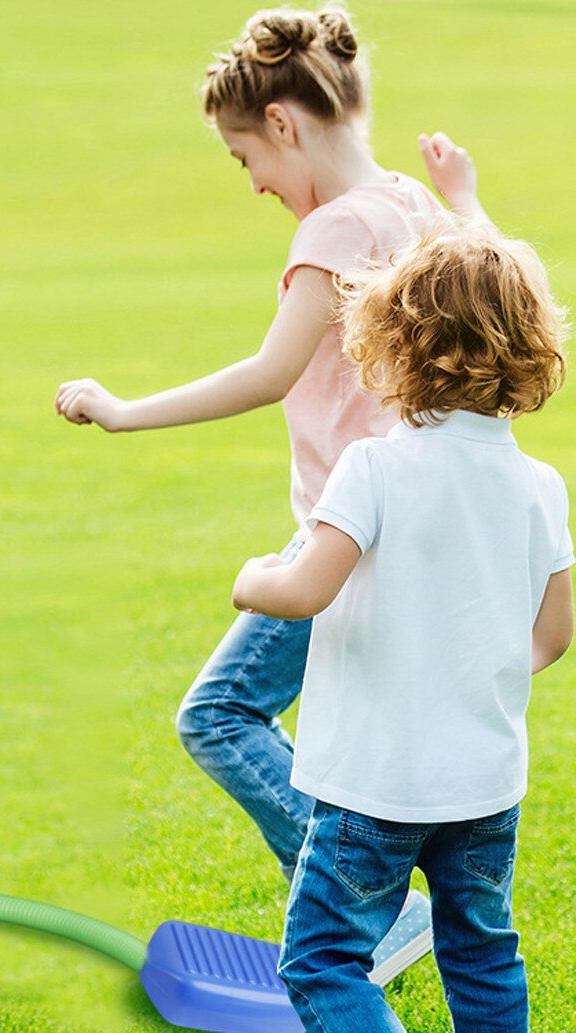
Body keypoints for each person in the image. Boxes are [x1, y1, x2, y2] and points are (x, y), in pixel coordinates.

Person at [55, 5, 478, 979]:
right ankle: (372, 909)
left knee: (216, 714)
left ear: (283, 125)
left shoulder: (337, 226)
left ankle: (370, 910)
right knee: (340, 734)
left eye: (246, 156)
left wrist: (122, 411)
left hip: (352, 525)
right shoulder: (412, 204)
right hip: (412, 514)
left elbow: (269, 370)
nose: (252, 182)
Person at [231, 222, 572, 1032]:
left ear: (397, 346)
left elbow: (305, 590)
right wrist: (475, 669)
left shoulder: (373, 467)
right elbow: (552, 634)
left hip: (374, 784)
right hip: (484, 783)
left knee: (321, 962)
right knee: (482, 954)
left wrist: (252, 579)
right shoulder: (538, 484)